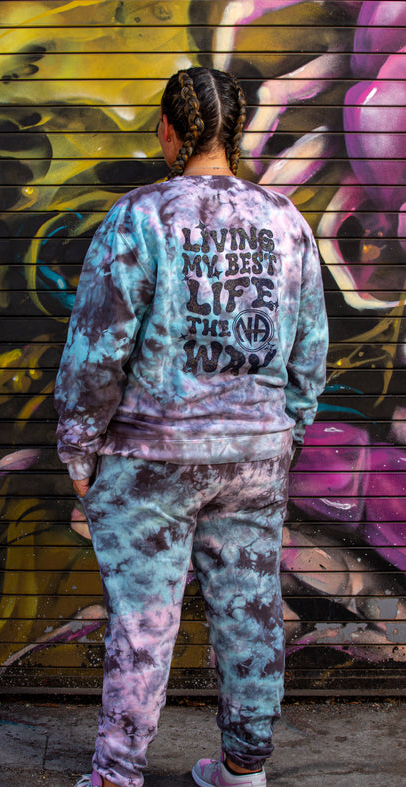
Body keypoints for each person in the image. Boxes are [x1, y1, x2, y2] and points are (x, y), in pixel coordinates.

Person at [54, 67, 328, 787]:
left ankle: (116, 772)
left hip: (152, 454)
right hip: (254, 454)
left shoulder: (140, 216)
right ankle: (243, 766)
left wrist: (78, 445)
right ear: (233, 133)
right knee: (249, 609)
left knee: (144, 621)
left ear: (168, 130)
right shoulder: (286, 221)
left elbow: (97, 347)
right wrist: (283, 433)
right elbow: (309, 347)